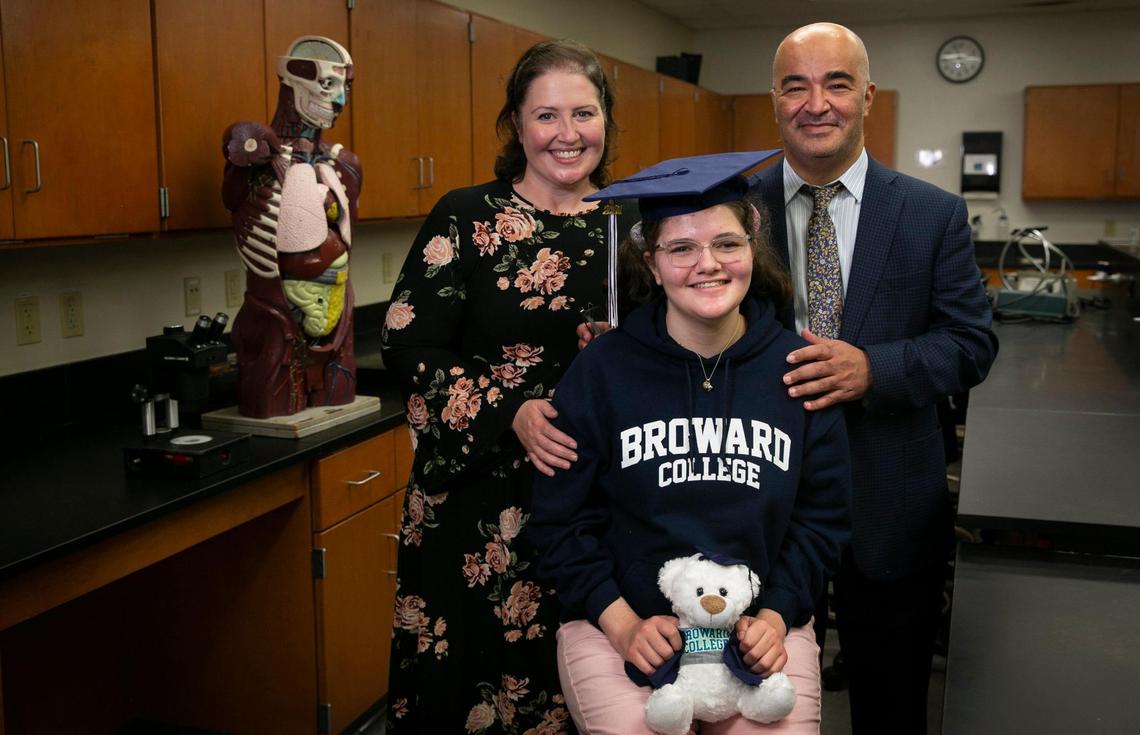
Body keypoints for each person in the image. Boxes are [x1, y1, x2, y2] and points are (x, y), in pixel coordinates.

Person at [528, 151, 853, 735]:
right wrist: (623, 623)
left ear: (752, 246)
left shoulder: (798, 369)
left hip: (762, 633)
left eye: (726, 244)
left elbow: (822, 520)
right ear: (652, 264)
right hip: (622, 626)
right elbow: (560, 522)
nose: (708, 264)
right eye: (681, 249)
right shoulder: (601, 371)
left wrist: (777, 617)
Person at [749, 23, 999, 734]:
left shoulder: (931, 213)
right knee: (750, 705)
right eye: (796, 84)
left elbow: (971, 344)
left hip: (889, 503)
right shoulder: (733, 210)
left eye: (835, 83)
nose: (816, 102)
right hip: (758, 508)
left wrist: (873, 368)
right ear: (775, 100)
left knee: (891, 708)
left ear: (867, 95)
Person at [381, 39, 638, 733]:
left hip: (596, 507)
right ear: (517, 125)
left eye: (583, 112)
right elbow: (405, 339)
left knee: (588, 685)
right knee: (465, 689)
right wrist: (507, 410)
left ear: (607, 120)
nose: (567, 133)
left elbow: (681, 346)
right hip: (474, 505)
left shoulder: (634, 227)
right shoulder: (465, 217)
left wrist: (626, 353)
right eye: (546, 115)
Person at [223, 36, 361, 418]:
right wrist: (246, 155)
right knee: (271, 397)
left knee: (339, 391)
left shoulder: (344, 164)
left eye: (345, 89)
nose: (339, 101)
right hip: (274, 314)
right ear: (295, 80)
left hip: (337, 311)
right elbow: (233, 197)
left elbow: (349, 240)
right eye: (329, 86)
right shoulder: (256, 155)